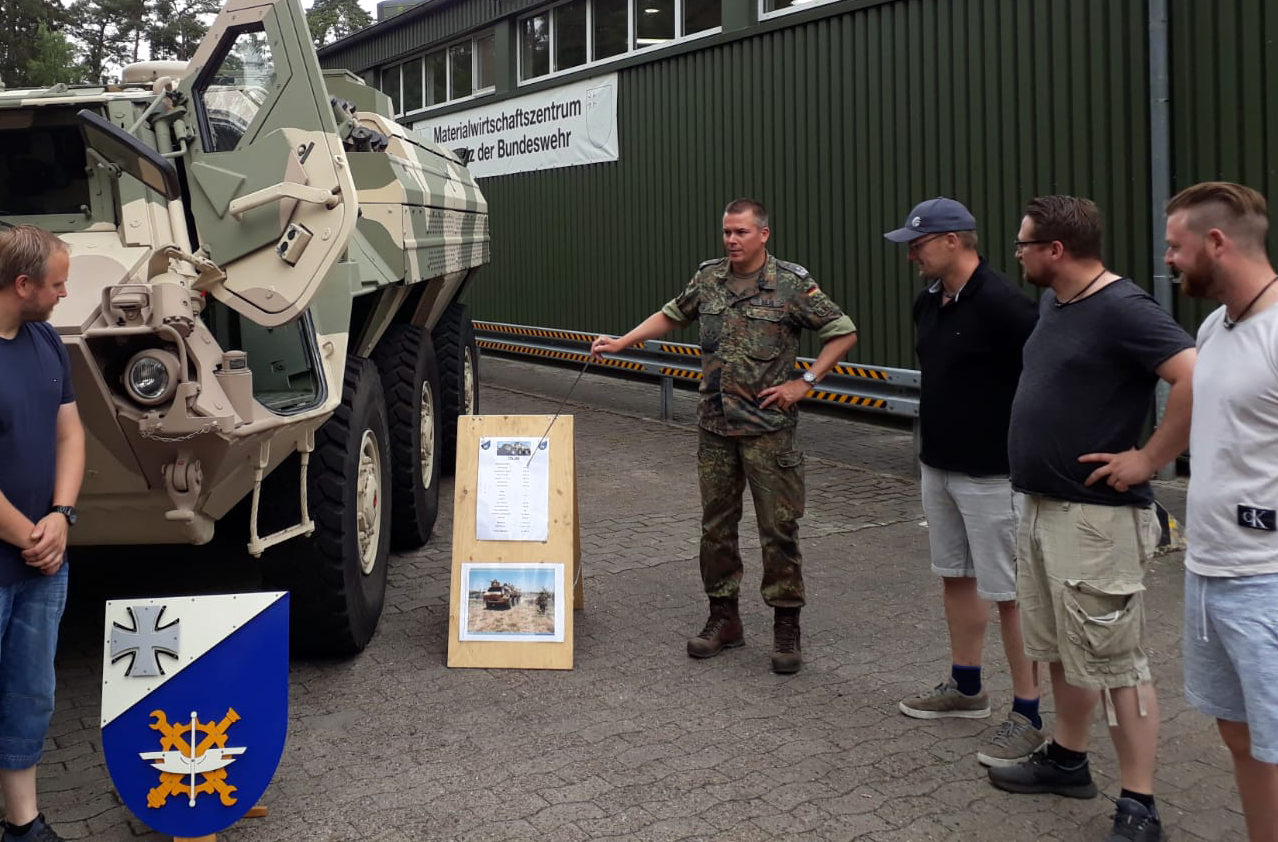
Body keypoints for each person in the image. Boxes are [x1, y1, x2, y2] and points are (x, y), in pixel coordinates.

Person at [985, 196, 1195, 842]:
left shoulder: (1123, 308)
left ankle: (1140, 804)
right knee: (1056, 648)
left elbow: (1194, 376)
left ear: (1055, 251)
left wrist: (1151, 458)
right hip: (1044, 506)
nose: (1016, 255)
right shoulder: (1057, 302)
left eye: (1023, 244)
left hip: (1096, 519)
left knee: (1115, 659)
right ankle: (1067, 759)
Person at [591, 199, 858, 674]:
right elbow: (672, 315)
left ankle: (786, 624)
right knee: (716, 529)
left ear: (763, 235)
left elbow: (842, 331)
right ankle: (724, 617)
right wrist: (621, 343)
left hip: (768, 432)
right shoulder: (709, 279)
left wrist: (806, 382)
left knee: (778, 531)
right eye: (727, 233)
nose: (731, 240)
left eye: (740, 232)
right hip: (715, 428)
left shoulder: (791, 284)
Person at [883, 198, 1043, 767]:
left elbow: (1041, 382)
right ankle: (967, 686)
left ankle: (1029, 712)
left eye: (918, 245)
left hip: (993, 474)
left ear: (955, 241)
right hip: (938, 465)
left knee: (1009, 593)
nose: (912, 256)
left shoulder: (1006, 306)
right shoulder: (928, 302)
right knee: (955, 575)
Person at [1165, 181, 1278, 842]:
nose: (1168, 260)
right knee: (1240, 735)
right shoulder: (1215, 326)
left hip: (1265, 580)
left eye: (1176, 247)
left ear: (1216, 242)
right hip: (1208, 571)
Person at [0, 225, 85, 842]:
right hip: (25, 553)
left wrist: (61, 515)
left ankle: (22, 824)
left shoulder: (46, 341)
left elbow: (70, 434)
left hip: (41, 561)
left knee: (30, 696)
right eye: (55, 284)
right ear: (22, 284)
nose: (63, 293)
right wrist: (34, 533)